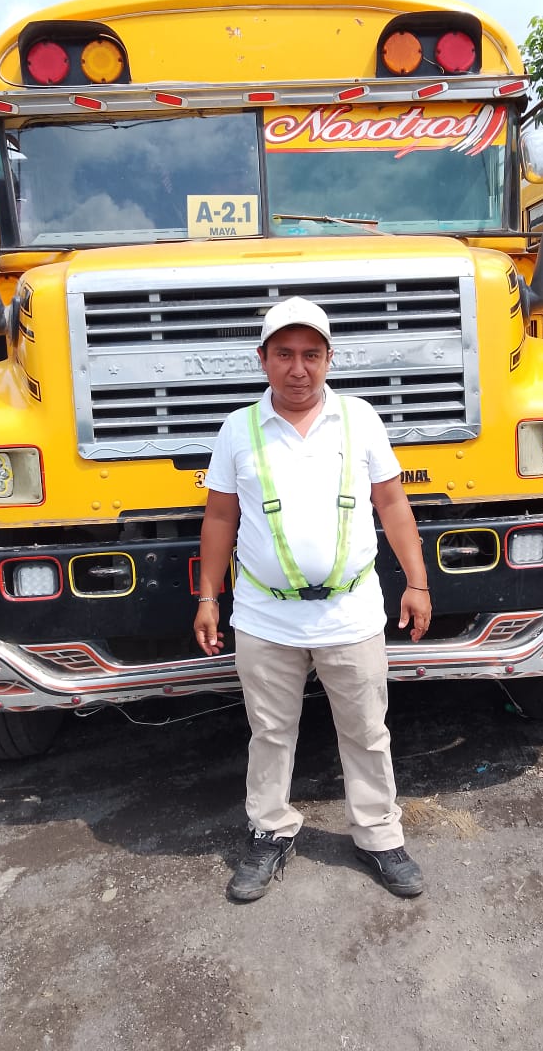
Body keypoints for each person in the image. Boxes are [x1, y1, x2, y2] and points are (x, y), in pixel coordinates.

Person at [194, 296, 432, 902]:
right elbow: (219, 516)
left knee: (367, 731)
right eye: (284, 354)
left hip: (351, 613)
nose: (297, 368)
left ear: (329, 359)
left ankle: (379, 836)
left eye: (310, 355)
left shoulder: (361, 420)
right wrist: (208, 597)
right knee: (270, 732)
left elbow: (392, 503)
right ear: (262, 359)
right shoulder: (238, 429)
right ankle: (269, 831)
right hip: (264, 617)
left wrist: (417, 582)